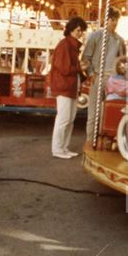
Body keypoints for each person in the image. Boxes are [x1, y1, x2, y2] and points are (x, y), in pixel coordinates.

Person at [81, 8, 126, 145]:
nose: (115, 22)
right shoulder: (95, 36)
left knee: (110, 109)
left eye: (116, 19)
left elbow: (122, 60)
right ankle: (90, 139)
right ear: (106, 20)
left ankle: (106, 138)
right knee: (94, 110)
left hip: (113, 79)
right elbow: (86, 57)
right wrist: (90, 73)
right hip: (98, 75)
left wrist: (122, 73)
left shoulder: (119, 40)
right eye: (112, 19)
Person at [51, 16, 87, 159]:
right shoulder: (65, 45)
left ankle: (64, 147)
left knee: (70, 119)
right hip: (64, 87)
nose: (80, 33)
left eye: (82, 31)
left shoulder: (71, 46)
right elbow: (64, 68)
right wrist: (80, 67)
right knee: (63, 119)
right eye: (79, 30)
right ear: (71, 30)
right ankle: (57, 149)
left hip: (70, 86)